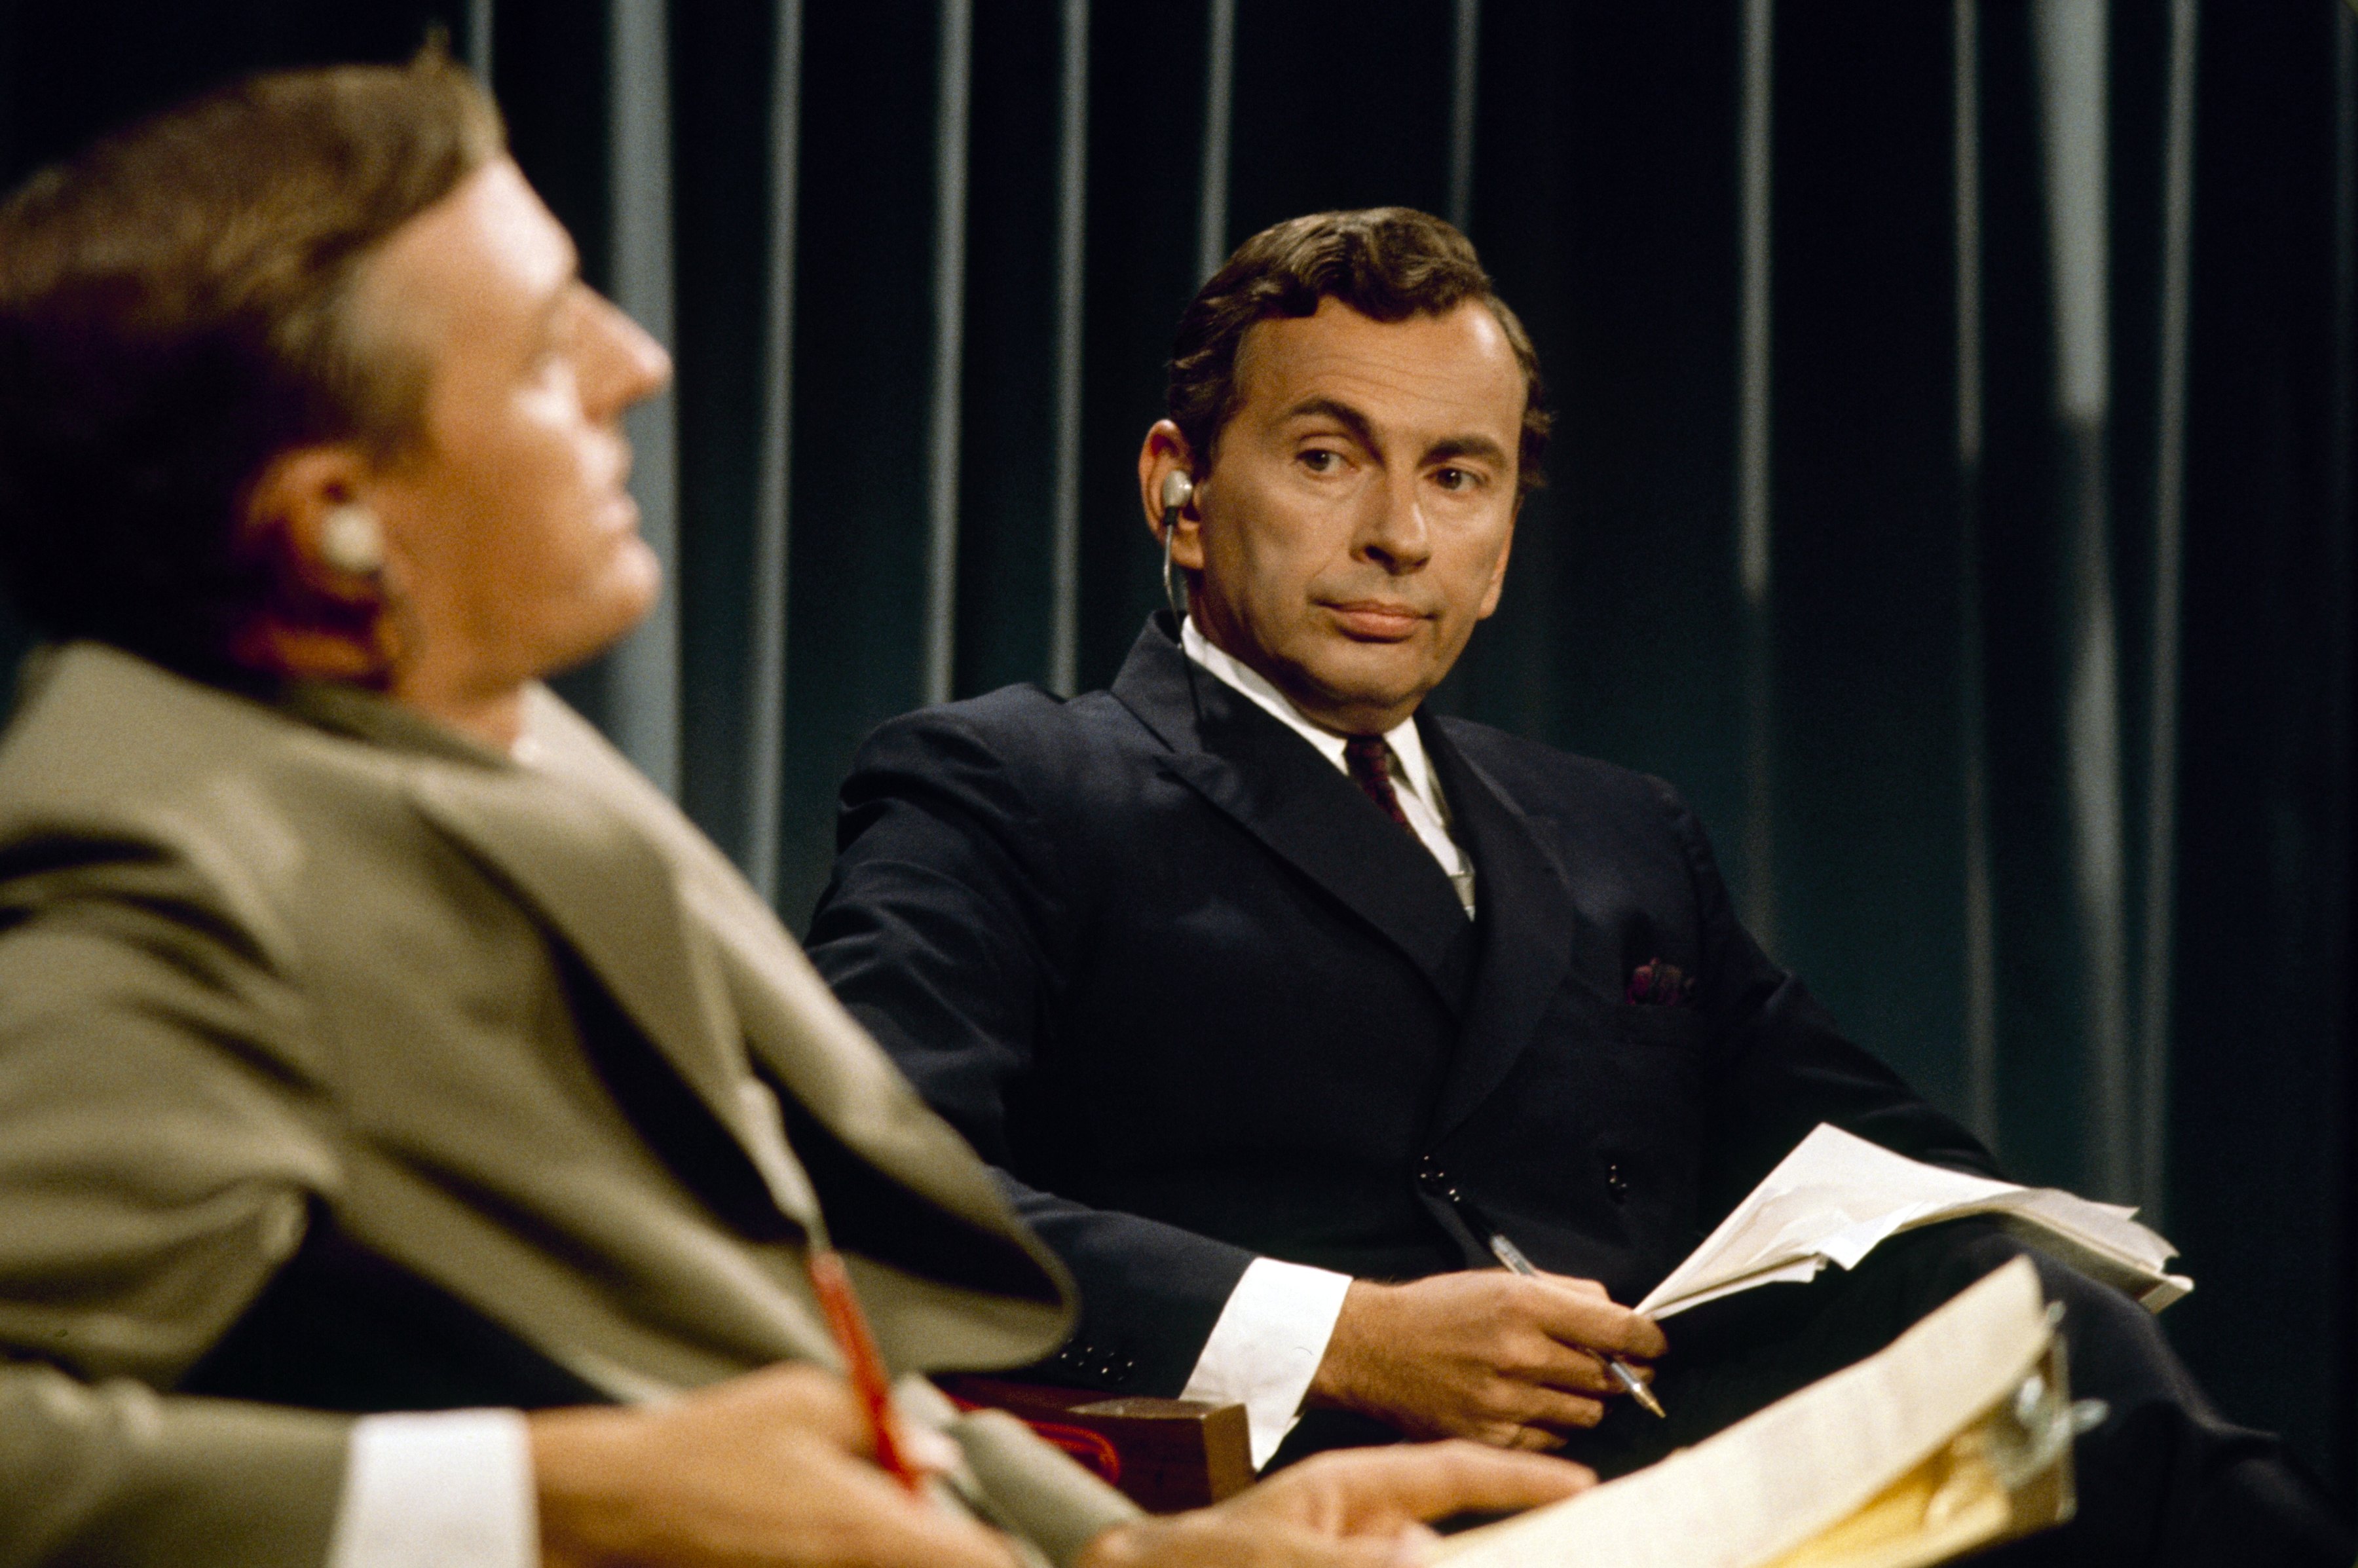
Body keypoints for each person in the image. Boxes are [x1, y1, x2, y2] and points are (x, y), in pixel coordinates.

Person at [0, 62, 1593, 1568]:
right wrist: (557, 1496)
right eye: (547, 349)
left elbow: (784, 1335)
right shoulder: (168, 868)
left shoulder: (481, 747)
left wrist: (1121, 1546)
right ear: (336, 517)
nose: (637, 362)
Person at [806, 208, 2355, 1563]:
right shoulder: (1007, 782)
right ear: (1180, 489)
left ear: (1501, 545)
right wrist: (1349, 1336)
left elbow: (1878, 1160)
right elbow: (864, 1195)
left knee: (2034, 1314)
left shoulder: (1620, 832)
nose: (1398, 536)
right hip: (1313, 1502)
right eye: (1327, 458)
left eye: (1457, 477)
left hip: (1684, 1473)